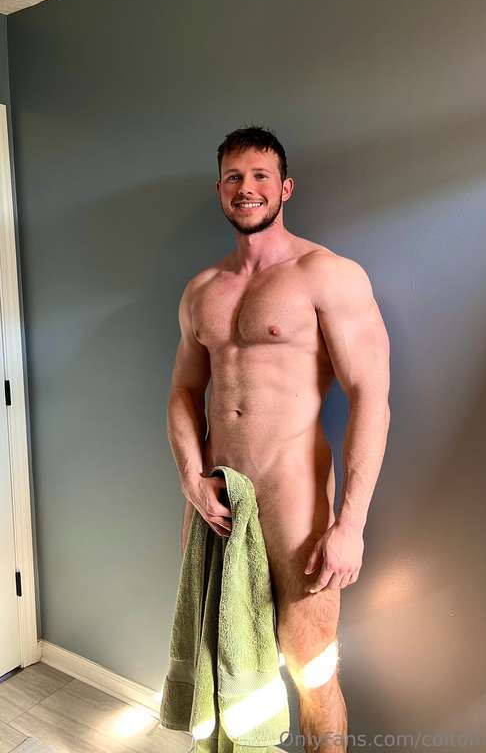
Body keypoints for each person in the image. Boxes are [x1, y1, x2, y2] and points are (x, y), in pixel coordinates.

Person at [166, 125, 391, 750]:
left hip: (295, 498)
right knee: (219, 655)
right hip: (217, 498)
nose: (247, 188)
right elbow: (183, 391)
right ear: (220, 190)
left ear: (285, 187)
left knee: (311, 666)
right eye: (234, 177)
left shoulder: (327, 275)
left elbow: (371, 397)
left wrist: (351, 524)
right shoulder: (201, 290)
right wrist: (190, 477)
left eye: (260, 176)